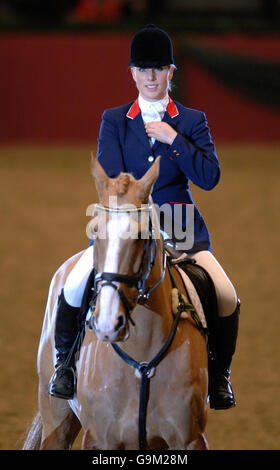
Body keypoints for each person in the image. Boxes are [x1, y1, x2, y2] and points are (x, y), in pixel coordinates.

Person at [48, 24, 240, 410]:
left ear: (171, 71)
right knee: (75, 284)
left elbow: (210, 177)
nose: (151, 76)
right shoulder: (114, 120)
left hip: (181, 229)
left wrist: (175, 140)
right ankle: (64, 365)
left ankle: (219, 376)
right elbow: (113, 179)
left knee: (225, 294)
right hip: (124, 228)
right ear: (132, 73)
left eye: (158, 68)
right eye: (143, 68)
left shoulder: (192, 120)